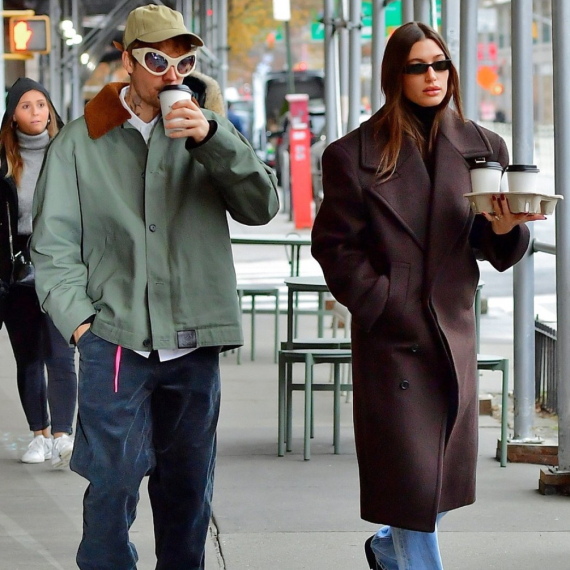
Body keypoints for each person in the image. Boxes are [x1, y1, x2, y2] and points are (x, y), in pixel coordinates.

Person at [31, 4, 279, 570]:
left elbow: (262, 207)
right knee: (111, 486)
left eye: (184, 61)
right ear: (127, 60)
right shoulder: (80, 141)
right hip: (113, 341)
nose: (172, 74)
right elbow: (53, 244)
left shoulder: (210, 129)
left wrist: (214, 139)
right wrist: (81, 324)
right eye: (157, 59)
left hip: (192, 344)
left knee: (188, 492)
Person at [311, 22, 545, 570]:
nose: (432, 76)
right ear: (396, 75)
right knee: (415, 486)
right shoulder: (353, 155)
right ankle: (404, 552)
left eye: (440, 65)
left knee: (430, 489)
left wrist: (510, 226)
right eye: (418, 67)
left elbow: (494, 246)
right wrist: (384, 299)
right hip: (394, 342)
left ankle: (388, 550)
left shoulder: (485, 147)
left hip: (453, 337)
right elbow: (335, 248)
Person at [0, 78, 77, 468]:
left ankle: (63, 434)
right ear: (13, 114)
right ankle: (39, 435)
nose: (36, 113)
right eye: (26, 106)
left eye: (41, 105)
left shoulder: (68, 151)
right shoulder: (2, 159)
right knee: (28, 357)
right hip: (16, 269)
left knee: (61, 354)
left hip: (60, 265)